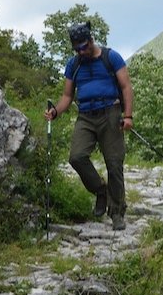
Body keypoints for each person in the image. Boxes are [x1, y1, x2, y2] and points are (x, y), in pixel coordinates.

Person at [44, 22, 134, 231]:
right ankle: (101, 190)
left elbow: (126, 87)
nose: (81, 52)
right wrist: (56, 112)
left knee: (114, 164)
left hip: (111, 113)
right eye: (77, 49)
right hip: (85, 115)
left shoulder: (111, 57)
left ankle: (117, 212)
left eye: (84, 47)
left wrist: (127, 116)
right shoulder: (73, 65)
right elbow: (67, 96)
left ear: (91, 40)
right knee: (76, 157)